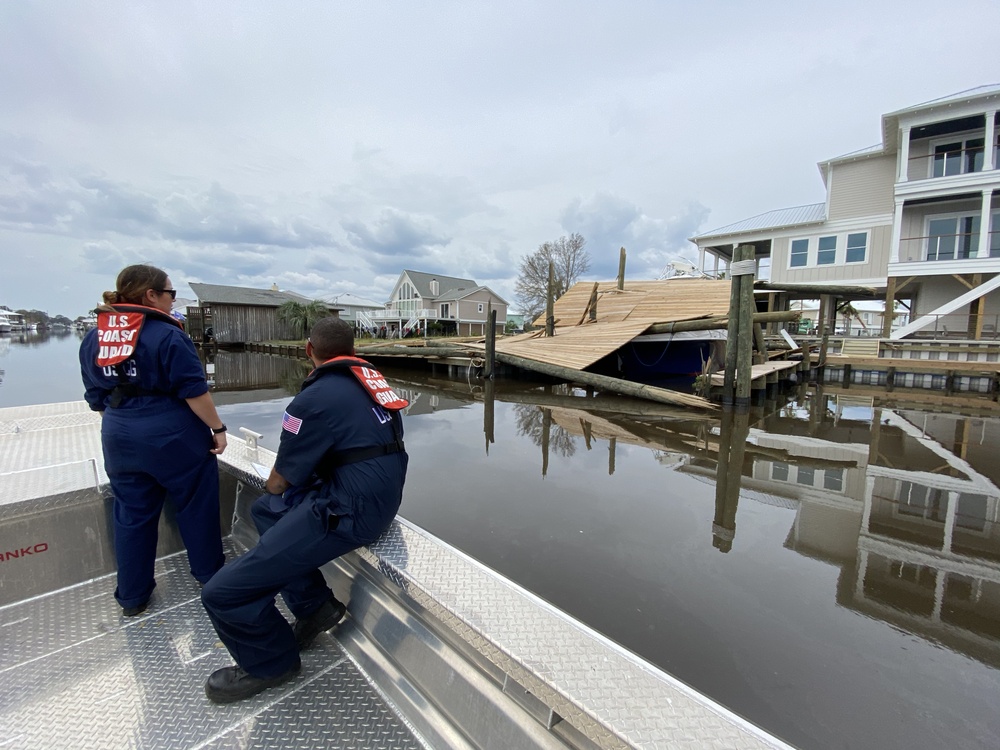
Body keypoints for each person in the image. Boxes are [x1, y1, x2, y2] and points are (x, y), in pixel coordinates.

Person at [201, 316, 408, 704]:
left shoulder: (312, 399)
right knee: (266, 512)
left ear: (309, 351)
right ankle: (315, 609)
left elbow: (281, 479)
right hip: (381, 501)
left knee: (222, 593)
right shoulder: (371, 383)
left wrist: (277, 481)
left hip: (348, 512)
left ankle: (272, 663)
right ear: (353, 352)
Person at [79, 264, 227, 617]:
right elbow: (195, 392)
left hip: (118, 434)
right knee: (195, 505)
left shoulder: (94, 337)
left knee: (131, 514)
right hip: (171, 435)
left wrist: (123, 425)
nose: (172, 300)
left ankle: (132, 596)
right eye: (170, 293)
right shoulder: (167, 335)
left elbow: (96, 396)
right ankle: (211, 578)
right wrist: (218, 430)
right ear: (151, 295)